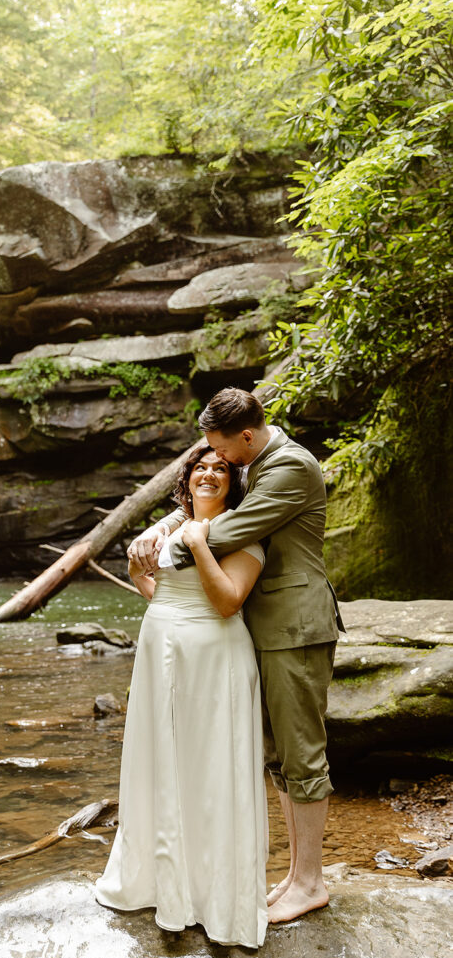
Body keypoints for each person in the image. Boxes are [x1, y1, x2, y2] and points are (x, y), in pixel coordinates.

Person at [128, 387, 342, 925]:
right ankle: (296, 875)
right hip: (260, 628)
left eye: (221, 449)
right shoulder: (254, 463)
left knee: (303, 753)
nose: (217, 460)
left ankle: (311, 882)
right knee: (278, 757)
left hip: (294, 624)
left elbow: (229, 528)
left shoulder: (289, 468)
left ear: (245, 435)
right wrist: (164, 521)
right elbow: (204, 500)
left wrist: (164, 543)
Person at [94, 444, 269, 948]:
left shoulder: (240, 529)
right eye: (200, 467)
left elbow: (226, 601)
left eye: (220, 468)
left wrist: (197, 542)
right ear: (186, 478)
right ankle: (162, 883)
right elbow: (166, 593)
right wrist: (137, 575)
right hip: (161, 652)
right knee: (163, 762)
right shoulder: (170, 526)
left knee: (211, 768)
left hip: (216, 658)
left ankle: (215, 897)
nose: (209, 473)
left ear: (233, 482)